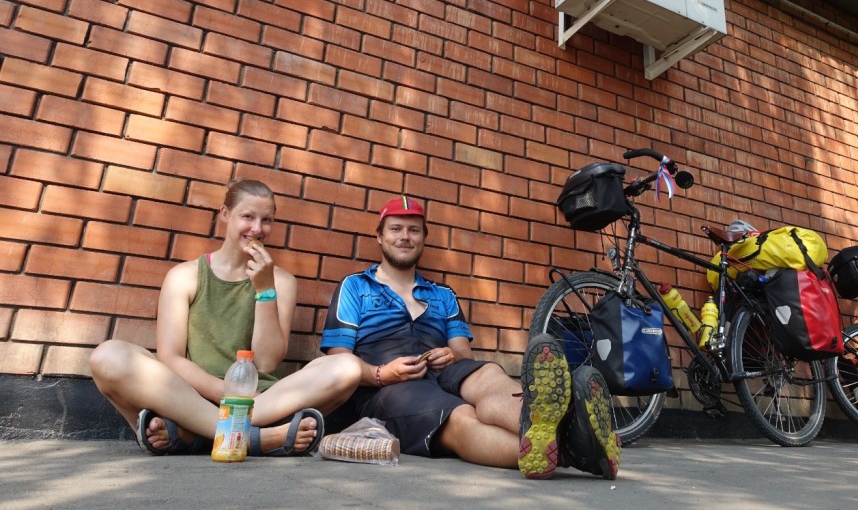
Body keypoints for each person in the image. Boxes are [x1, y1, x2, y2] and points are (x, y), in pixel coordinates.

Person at [321, 196, 621, 478]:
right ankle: (572, 448)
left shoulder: (443, 295)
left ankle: (565, 431)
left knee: (488, 374)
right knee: (460, 414)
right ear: (380, 237)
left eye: (414, 230)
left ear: (423, 238)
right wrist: (381, 373)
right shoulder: (355, 286)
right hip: (388, 384)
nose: (405, 236)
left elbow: (463, 352)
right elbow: (337, 361)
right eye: (396, 229)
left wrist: (453, 356)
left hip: (442, 367)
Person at [90, 179, 362, 456]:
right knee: (107, 356)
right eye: (248, 216)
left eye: (266, 220)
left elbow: (266, 362)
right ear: (225, 214)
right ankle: (252, 439)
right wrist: (224, 394)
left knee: (347, 367)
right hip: (191, 398)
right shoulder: (184, 276)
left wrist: (265, 291)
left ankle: (194, 435)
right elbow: (171, 358)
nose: (257, 229)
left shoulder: (281, 281)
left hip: (262, 403)